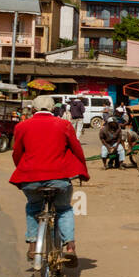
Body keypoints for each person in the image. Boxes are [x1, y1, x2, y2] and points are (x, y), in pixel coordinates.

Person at [10, 95, 89, 262]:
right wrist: (82, 171)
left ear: (33, 109)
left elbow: (17, 153)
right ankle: (69, 246)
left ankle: (32, 245)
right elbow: (76, 149)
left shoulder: (21, 126)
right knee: (64, 209)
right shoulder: (63, 125)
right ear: (53, 109)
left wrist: (23, 171)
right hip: (59, 178)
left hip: (30, 179)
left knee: (33, 207)